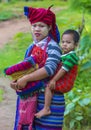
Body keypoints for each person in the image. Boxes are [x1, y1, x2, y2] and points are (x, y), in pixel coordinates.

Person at [10, 6, 63, 130]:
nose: (37, 29)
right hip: (31, 99)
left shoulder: (53, 47)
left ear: (49, 27)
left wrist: (27, 79)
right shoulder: (32, 47)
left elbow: (49, 69)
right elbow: (25, 69)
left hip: (49, 100)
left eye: (41, 26)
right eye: (34, 25)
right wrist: (18, 81)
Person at [35, 29, 80, 118]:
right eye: (63, 42)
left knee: (48, 87)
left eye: (68, 42)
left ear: (75, 45)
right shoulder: (65, 55)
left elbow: (64, 69)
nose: (64, 44)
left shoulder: (71, 56)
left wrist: (53, 80)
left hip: (66, 82)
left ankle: (46, 109)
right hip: (62, 79)